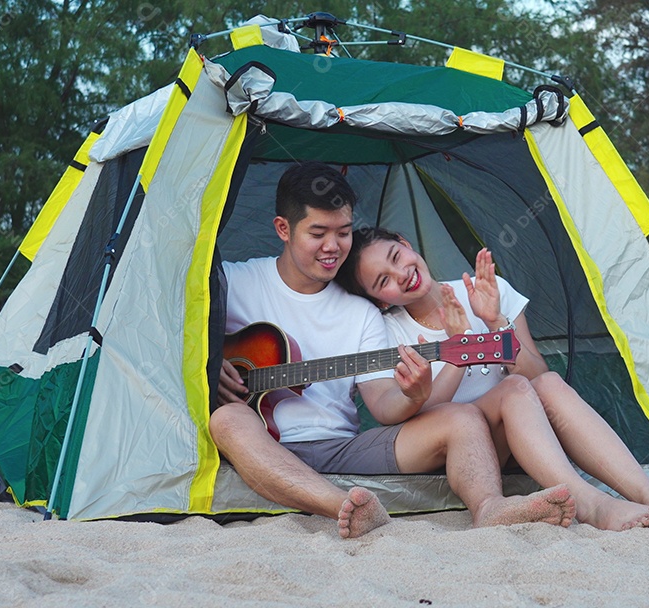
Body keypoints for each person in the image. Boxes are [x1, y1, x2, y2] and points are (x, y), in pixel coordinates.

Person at [210, 162, 576, 539]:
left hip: (343, 447)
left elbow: (383, 404)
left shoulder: (363, 313)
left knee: (461, 416)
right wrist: (211, 359)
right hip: (262, 440)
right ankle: (343, 506)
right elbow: (168, 324)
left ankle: (489, 507)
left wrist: (411, 396)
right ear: (283, 229)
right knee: (227, 420)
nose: (332, 247)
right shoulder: (233, 281)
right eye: (318, 233)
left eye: (343, 232)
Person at [336, 227, 649, 533]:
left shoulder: (488, 292)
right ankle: (592, 504)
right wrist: (457, 349)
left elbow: (538, 373)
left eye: (396, 257)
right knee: (514, 388)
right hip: (460, 453)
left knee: (542, 385)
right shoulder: (388, 330)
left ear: (405, 243)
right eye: (383, 281)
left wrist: (494, 324)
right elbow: (426, 416)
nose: (401, 274)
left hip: (512, 434)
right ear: (381, 300)